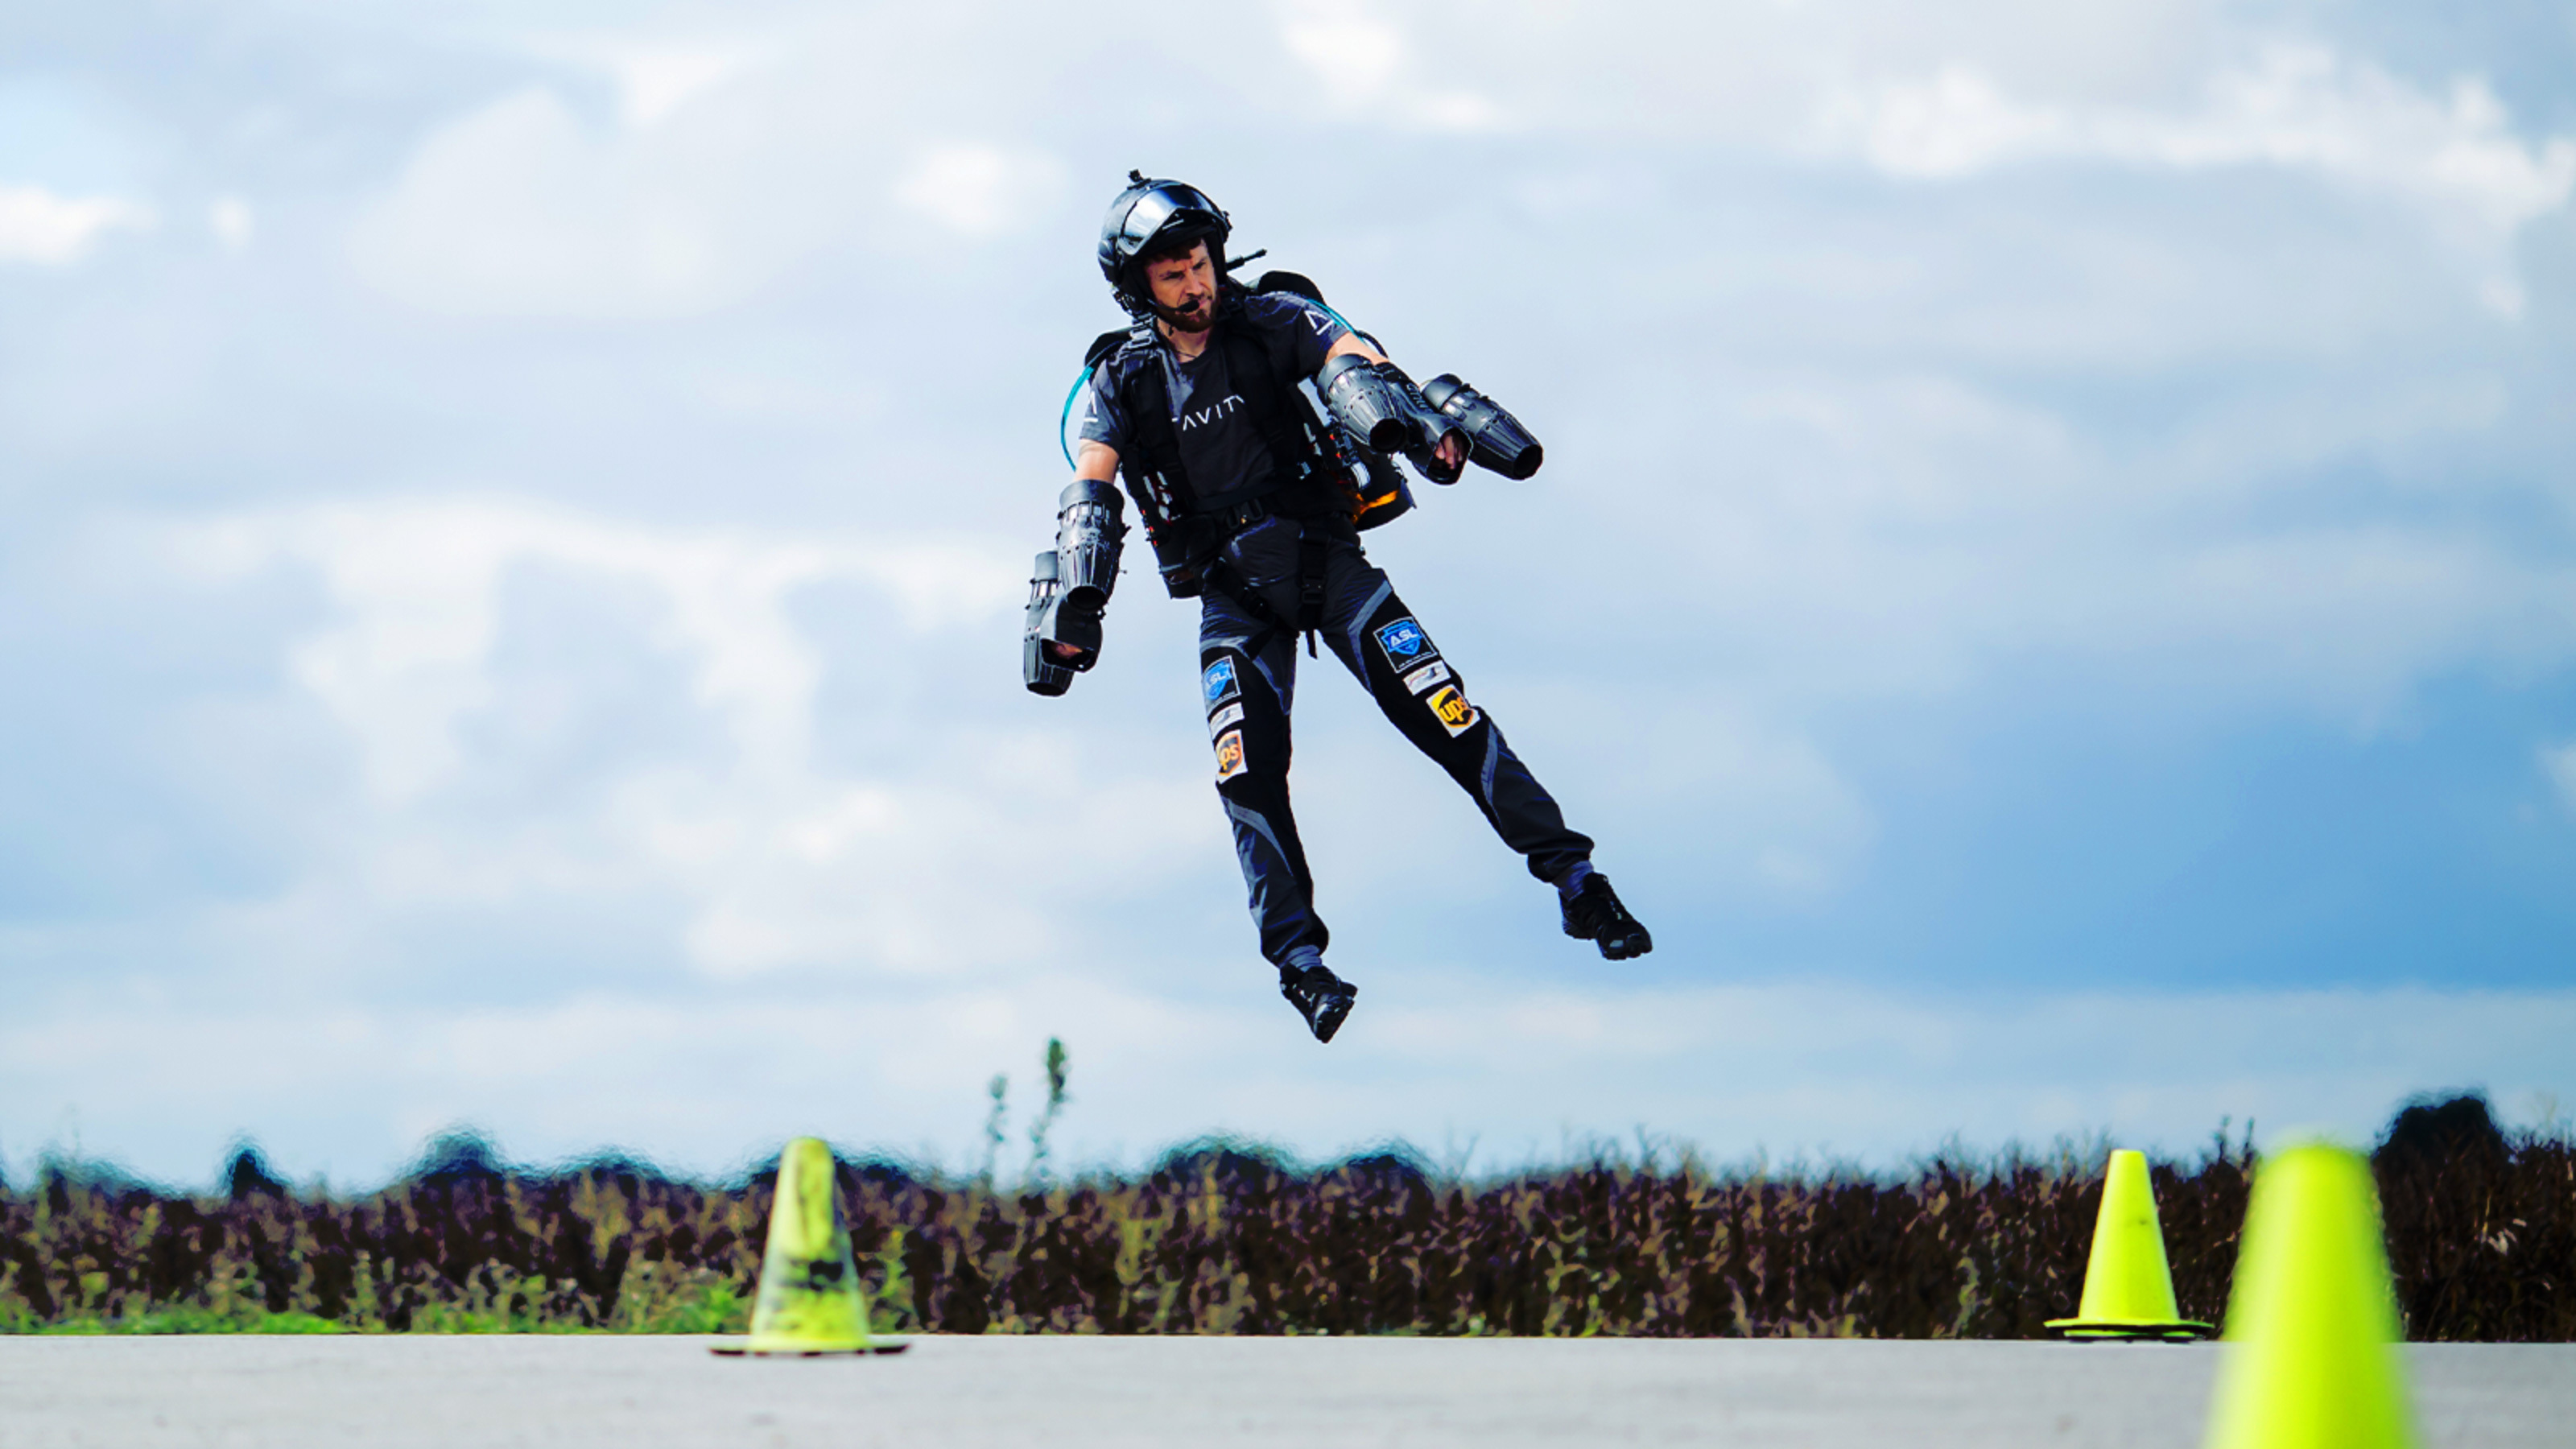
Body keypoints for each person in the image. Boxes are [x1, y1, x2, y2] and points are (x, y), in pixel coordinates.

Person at [1023, 174, 1650, 1043]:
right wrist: (1075, 604)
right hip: (1235, 601)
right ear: (1138, 287)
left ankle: (1577, 882)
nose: (1195, 285)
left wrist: (1417, 424)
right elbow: (1091, 479)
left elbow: (1351, 361)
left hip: (1331, 566)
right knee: (1245, 775)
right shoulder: (1119, 379)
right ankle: (1301, 965)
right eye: (1172, 275)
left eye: (1199, 263)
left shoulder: (1278, 318)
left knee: (1447, 715)